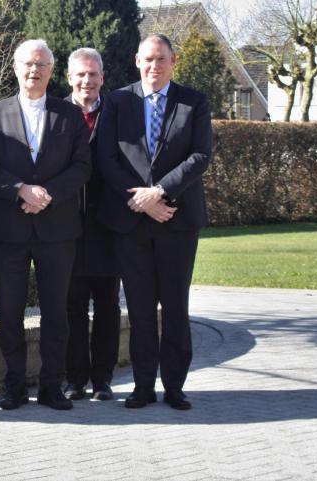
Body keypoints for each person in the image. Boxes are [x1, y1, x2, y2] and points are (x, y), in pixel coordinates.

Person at [96, 34, 212, 411]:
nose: (154, 66)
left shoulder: (194, 102)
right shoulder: (117, 101)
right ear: (136, 60)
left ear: (173, 60)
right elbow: (106, 158)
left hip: (177, 220)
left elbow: (199, 156)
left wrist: (160, 192)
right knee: (141, 309)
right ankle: (142, 386)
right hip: (132, 221)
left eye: (161, 59)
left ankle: (175, 386)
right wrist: (142, 201)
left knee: (175, 307)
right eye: (147, 59)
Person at [0, 39, 91, 411]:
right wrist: (21, 190)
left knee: (56, 313)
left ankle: (51, 386)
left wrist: (48, 194)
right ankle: (13, 386)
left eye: (42, 64)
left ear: (52, 71)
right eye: (28, 63)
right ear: (15, 67)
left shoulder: (69, 116)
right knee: (9, 313)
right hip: (8, 231)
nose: (34, 70)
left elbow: (82, 167)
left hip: (57, 230)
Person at [63, 48, 121, 402]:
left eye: (94, 74)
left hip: (107, 226)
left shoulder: (117, 111)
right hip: (66, 227)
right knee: (70, 306)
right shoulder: (56, 112)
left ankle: (103, 380)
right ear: (69, 78)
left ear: (102, 77)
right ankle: (74, 379)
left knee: (107, 306)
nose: (87, 81)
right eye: (81, 75)